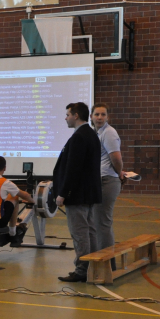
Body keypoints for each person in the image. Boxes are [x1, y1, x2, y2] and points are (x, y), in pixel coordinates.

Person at [54, 102, 102, 283]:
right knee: (89, 231)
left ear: (76, 115)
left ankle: (82, 269)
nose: (66, 118)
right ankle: (93, 265)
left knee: (80, 232)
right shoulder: (91, 134)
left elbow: (73, 169)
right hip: (87, 193)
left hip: (78, 194)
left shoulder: (79, 137)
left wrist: (63, 192)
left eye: (68, 114)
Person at [91, 104, 125, 253]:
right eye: (97, 114)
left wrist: (119, 172)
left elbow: (116, 158)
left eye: (103, 115)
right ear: (91, 117)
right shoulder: (97, 133)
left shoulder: (109, 132)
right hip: (100, 180)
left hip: (106, 181)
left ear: (107, 117)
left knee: (102, 223)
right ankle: (101, 255)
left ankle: (107, 259)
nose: (100, 117)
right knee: (98, 222)